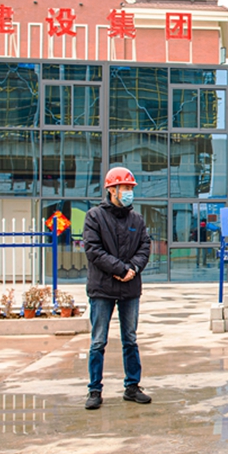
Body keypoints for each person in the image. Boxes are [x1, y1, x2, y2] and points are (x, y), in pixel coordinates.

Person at [83, 167, 152, 410]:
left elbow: (145, 246)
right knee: (98, 341)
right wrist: (120, 269)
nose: (129, 192)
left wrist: (133, 268)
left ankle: (132, 386)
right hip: (102, 289)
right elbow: (93, 250)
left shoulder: (137, 220)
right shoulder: (94, 217)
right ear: (112, 190)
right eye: (126, 188)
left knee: (130, 339)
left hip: (130, 289)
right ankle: (94, 389)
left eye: (131, 188)